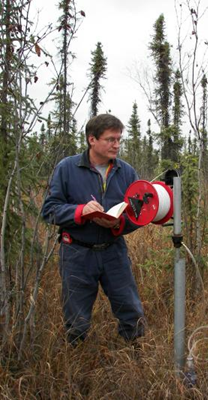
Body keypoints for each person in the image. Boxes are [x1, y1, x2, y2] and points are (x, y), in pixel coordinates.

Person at [42, 113, 145, 346]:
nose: (116, 145)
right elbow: (50, 210)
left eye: (119, 139)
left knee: (130, 309)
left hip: (113, 251)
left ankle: (136, 355)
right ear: (92, 140)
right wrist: (81, 212)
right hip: (77, 252)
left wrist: (119, 224)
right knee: (76, 318)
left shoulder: (126, 172)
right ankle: (76, 362)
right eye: (110, 139)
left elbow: (138, 214)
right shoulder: (67, 168)